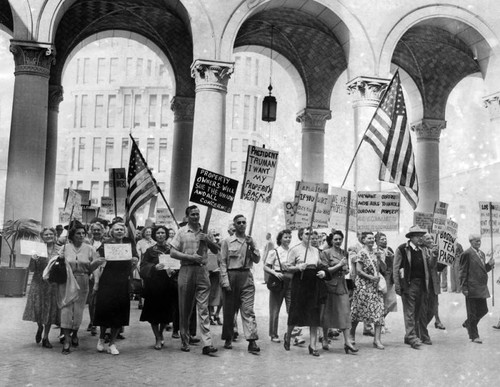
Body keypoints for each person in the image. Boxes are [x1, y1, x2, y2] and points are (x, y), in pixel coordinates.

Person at [169, 205, 219, 355]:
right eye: (192, 214)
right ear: (187, 216)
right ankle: (185, 339)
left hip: (202, 271)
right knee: (185, 308)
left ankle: (207, 343)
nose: (196, 217)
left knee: (204, 308)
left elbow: (216, 250)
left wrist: (208, 241)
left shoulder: (206, 231)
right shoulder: (182, 231)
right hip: (186, 270)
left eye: (197, 214)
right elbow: (172, 252)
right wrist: (190, 257)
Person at [52, 223, 101, 354]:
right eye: (78, 233)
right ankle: (67, 340)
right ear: (72, 236)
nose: (81, 236)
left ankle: (75, 333)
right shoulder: (64, 247)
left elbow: (92, 269)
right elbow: (56, 264)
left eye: (83, 233)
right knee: (66, 309)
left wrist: (96, 276)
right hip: (67, 281)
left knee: (78, 311)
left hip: (83, 280)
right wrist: (60, 258)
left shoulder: (90, 249)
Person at [94, 222, 139, 355]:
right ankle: (101, 338)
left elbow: (135, 260)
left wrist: (135, 261)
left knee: (119, 311)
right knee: (104, 310)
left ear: (124, 232)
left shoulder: (129, 244)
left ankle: (112, 343)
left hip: (122, 281)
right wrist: (100, 260)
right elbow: (97, 260)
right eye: (116, 229)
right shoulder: (106, 244)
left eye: (121, 229)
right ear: (112, 232)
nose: (119, 231)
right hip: (107, 281)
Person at [283, 228, 328, 357]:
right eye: (307, 234)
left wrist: (323, 272)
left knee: (314, 313)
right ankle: (288, 336)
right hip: (300, 282)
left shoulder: (316, 251)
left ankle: (313, 345)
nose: (309, 236)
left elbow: (320, 264)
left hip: (313, 283)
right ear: (301, 235)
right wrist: (297, 267)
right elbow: (287, 267)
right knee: (295, 312)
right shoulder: (295, 250)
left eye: (311, 234)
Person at [220, 214, 261, 354]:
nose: (242, 225)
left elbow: (256, 260)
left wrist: (252, 245)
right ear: (235, 225)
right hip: (232, 276)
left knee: (248, 310)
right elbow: (223, 262)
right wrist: (225, 280)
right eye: (239, 223)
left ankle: (252, 340)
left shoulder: (250, 241)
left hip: (246, 276)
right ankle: (228, 337)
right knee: (229, 311)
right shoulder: (227, 241)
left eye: (244, 222)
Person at [320, 231, 358, 354]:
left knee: (345, 314)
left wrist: (345, 268)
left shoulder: (344, 253)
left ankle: (347, 342)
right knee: (327, 314)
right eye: (335, 239)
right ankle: (325, 338)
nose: (338, 241)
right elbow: (325, 271)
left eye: (340, 239)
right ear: (331, 240)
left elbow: (346, 271)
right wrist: (339, 265)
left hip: (342, 287)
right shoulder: (325, 253)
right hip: (330, 286)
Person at [139, 226, 176, 350]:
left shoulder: (172, 249)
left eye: (163, 233)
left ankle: (160, 333)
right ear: (155, 235)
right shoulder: (150, 251)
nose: (160, 235)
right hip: (154, 286)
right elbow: (143, 267)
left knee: (165, 313)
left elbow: (178, 264)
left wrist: (174, 270)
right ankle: (157, 337)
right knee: (154, 314)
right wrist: (154, 267)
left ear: (166, 235)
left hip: (167, 285)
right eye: (158, 233)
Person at [23, 227, 60, 349]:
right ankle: (40, 327)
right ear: (42, 237)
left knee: (49, 309)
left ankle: (46, 337)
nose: (49, 236)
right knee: (38, 307)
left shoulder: (60, 250)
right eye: (46, 235)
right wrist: (33, 259)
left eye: (51, 234)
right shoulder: (37, 250)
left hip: (52, 283)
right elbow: (32, 269)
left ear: (55, 235)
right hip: (38, 282)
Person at [394, 225, 429, 349]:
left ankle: (409, 336)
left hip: (421, 285)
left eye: (421, 236)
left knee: (417, 311)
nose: (420, 239)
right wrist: (398, 286)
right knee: (409, 312)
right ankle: (412, 337)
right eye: (417, 236)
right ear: (411, 237)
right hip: (408, 284)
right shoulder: (402, 249)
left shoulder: (423, 250)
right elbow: (396, 268)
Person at [350, 231, 386, 350]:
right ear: (363, 240)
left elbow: (383, 269)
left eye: (372, 238)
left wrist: (380, 259)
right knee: (358, 311)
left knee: (379, 311)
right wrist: (371, 277)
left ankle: (377, 339)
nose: (371, 240)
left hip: (375, 286)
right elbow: (359, 270)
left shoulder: (376, 253)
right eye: (368, 238)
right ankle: (351, 335)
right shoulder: (361, 253)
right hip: (363, 286)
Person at [459, 234, 495, 344]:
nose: (478, 243)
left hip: (481, 287)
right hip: (471, 287)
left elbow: (483, 269)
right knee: (472, 313)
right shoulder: (466, 254)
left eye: (479, 241)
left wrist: (489, 265)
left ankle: (468, 323)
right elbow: (462, 272)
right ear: (471, 242)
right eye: (476, 241)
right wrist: (464, 287)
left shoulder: (482, 254)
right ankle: (474, 336)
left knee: (484, 310)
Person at [264, 229, 292, 344]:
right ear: (280, 239)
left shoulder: (292, 251)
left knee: (292, 308)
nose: (288, 239)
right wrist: (275, 273)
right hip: (278, 280)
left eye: (290, 237)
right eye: (285, 237)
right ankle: (273, 333)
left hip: (290, 280)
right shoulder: (274, 252)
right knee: (275, 309)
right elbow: (266, 266)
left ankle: (292, 333)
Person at [417, 233, 446, 344]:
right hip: (424, 284)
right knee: (423, 310)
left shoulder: (433, 250)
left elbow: (437, 267)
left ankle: (420, 330)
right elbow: (429, 264)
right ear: (423, 241)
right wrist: (434, 255)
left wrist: (444, 259)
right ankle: (424, 335)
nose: (430, 240)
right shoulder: (421, 251)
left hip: (433, 284)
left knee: (432, 309)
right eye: (428, 238)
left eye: (431, 238)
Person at [87, 222, 106, 336]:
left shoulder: (107, 242)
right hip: (91, 271)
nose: (96, 232)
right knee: (92, 299)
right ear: (91, 231)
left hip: (105, 271)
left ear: (102, 231)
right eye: (94, 230)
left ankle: (102, 322)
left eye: (99, 230)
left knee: (102, 299)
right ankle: (92, 321)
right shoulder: (87, 242)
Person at [376, 232, 397, 330]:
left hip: (390, 277)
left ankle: (382, 321)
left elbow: (394, 264)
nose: (385, 241)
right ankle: (379, 324)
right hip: (381, 278)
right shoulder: (375, 250)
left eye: (385, 239)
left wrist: (392, 257)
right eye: (382, 239)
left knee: (391, 302)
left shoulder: (389, 250)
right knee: (381, 302)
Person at [207, 230, 223, 325]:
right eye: (213, 235)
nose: (215, 237)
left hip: (219, 275)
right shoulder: (207, 248)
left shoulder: (220, 247)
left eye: (217, 235)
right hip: (210, 276)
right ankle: (209, 315)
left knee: (221, 296)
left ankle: (217, 314)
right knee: (210, 295)